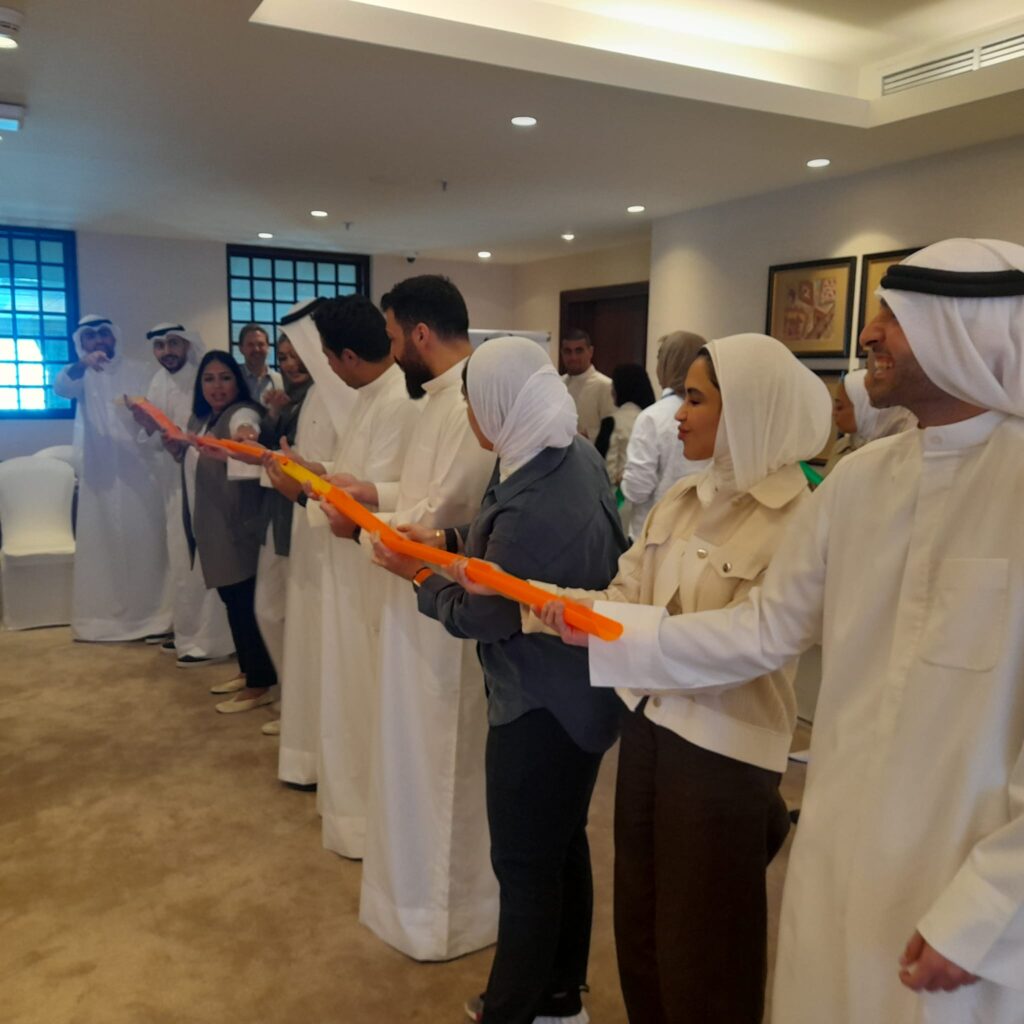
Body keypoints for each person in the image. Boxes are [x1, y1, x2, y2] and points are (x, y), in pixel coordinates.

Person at [544, 239, 1024, 1024]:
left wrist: (990, 909)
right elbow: (763, 629)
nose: (868, 335)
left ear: (968, 332)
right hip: (841, 833)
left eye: (895, 318)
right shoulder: (860, 481)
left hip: (964, 857)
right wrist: (606, 631)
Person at [507, 334, 830, 1023]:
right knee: (642, 930)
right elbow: (625, 595)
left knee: (706, 947)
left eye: (696, 399)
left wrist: (622, 633)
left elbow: (754, 638)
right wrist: (532, 598)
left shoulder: (801, 516)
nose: (678, 413)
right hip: (649, 728)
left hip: (724, 752)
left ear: (748, 411)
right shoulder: (683, 498)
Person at [370, 336, 626, 1024]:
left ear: (500, 402)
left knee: (523, 865)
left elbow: (484, 615)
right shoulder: (563, 450)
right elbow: (500, 553)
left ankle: (512, 1009)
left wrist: (416, 573)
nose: (468, 412)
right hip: (583, 693)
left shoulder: (534, 498)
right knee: (560, 844)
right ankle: (560, 996)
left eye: (471, 399)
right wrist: (446, 544)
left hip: (543, 704)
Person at [317, 275, 497, 960]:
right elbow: (420, 494)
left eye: (393, 337)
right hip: (410, 596)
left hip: (447, 607)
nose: (391, 351)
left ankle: (441, 918)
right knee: (410, 754)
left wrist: (362, 522)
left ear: (420, 334)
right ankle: (409, 904)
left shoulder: (475, 399)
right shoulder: (439, 397)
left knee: (440, 763)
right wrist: (369, 494)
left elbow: (447, 516)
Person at [276, 294, 417, 838]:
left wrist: (301, 491)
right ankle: (349, 809)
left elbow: (369, 500)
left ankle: (363, 820)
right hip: (349, 567)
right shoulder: (371, 394)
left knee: (360, 693)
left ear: (349, 356)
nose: (329, 369)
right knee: (345, 688)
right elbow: (356, 474)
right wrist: (315, 468)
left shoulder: (399, 400)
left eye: (330, 358)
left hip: (369, 573)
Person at [53, 315, 171, 642]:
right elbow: (61, 387)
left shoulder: (139, 370)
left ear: (114, 337)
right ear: (82, 342)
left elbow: (157, 414)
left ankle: (155, 618)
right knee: (101, 547)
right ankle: (100, 623)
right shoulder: (81, 375)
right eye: (91, 336)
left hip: (141, 473)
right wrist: (82, 364)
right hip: (100, 476)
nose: (99, 341)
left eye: (104, 334)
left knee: (146, 544)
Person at [177, 350, 277, 713]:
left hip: (236, 527)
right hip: (212, 525)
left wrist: (244, 439)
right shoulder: (204, 418)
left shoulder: (240, 413)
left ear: (238, 381)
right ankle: (248, 670)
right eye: (209, 379)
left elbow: (246, 431)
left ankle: (261, 683)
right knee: (231, 602)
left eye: (225, 378)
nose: (216, 386)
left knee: (244, 604)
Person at [133, 322, 234, 666]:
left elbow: (210, 433)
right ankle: (188, 633)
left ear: (188, 345)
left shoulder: (202, 379)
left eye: (173, 344)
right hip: (173, 487)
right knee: (181, 562)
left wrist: (179, 441)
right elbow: (153, 441)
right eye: (160, 346)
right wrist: (149, 427)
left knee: (202, 561)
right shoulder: (158, 381)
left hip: (203, 482)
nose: (167, 352)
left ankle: (211, 642)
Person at [620, 331, 710, 539]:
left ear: (667, 365)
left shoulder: (652, 418)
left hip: (654, 537)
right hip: (700, 534)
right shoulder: (715, 415)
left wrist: (623, 481)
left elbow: (637, 490)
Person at [824, 367, 917, 475]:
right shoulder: (840, 447)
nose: (833, 413)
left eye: (840, 407)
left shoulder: (899, 454)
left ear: (866, 409)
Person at [596, 362, 656, 486]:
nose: (611, 391)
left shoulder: (611, 422)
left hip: (619, 495)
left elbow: (605, 472)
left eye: (614, 385)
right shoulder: (655, 420)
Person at [560, 328, 614, 441]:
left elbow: (612, 430)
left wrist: (587, 437)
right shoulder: (557, 384)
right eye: (568, 351)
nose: (573, 357)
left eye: (579, 351)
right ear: (562, 353)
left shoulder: (605, 386)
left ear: (590, 352)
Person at [237, 323, 283, 408]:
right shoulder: (234, 377)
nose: (256, 349)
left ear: (268, 347)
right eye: (250, 345)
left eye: (261, 344)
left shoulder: (279, 381)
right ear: (241, 349)